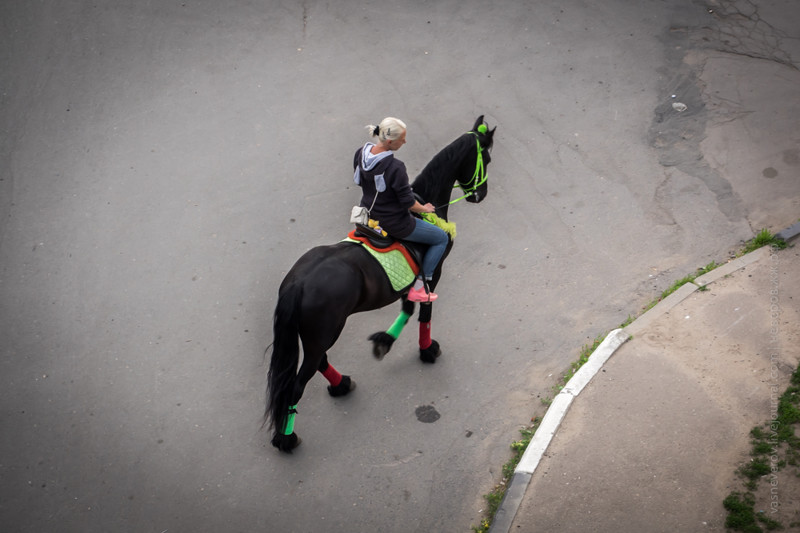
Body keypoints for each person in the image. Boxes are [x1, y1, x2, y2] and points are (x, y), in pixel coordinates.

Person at [353, 117, 449, 302]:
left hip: (368, 215)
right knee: (441, 238)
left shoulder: (360, 153)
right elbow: (408, 203)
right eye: (402, 139)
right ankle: (420, 286)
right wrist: (425, 209)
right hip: (395, 223)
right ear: (390, 141)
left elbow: (360, 181)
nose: (404, 142)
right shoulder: (396, 167)